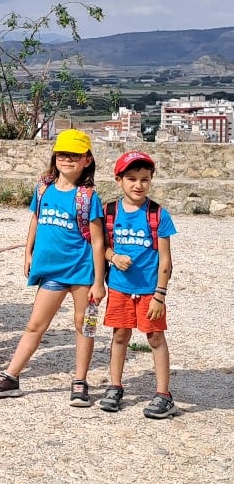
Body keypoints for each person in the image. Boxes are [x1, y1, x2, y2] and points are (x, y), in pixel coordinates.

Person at [0, 130, 107, 405]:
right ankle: (12, 376)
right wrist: (28, 252)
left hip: (81, 272)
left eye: (74, 155)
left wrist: (99, 281)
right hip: (51, 272)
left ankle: (80, 381)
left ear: (87, 160)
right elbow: (36, 220)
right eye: (62, 154)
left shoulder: (87, 197)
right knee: (35, 325)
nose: (67, 160)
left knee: (83, 325)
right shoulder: (43, 188)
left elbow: (98, 242)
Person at [100, 151, 178, 419]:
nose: (138, 185)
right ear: (119, 180)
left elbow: (166, 261)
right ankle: (115, 385)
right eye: (131, 178)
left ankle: (163, 394)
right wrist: (113, 257)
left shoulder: (158, 215)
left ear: (151, 180)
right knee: (120, 335)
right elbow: (102, 247)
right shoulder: (109, 211)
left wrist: (160, 295)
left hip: (149, 291)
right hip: (120, 288)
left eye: (144, 179)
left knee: (155, 338)